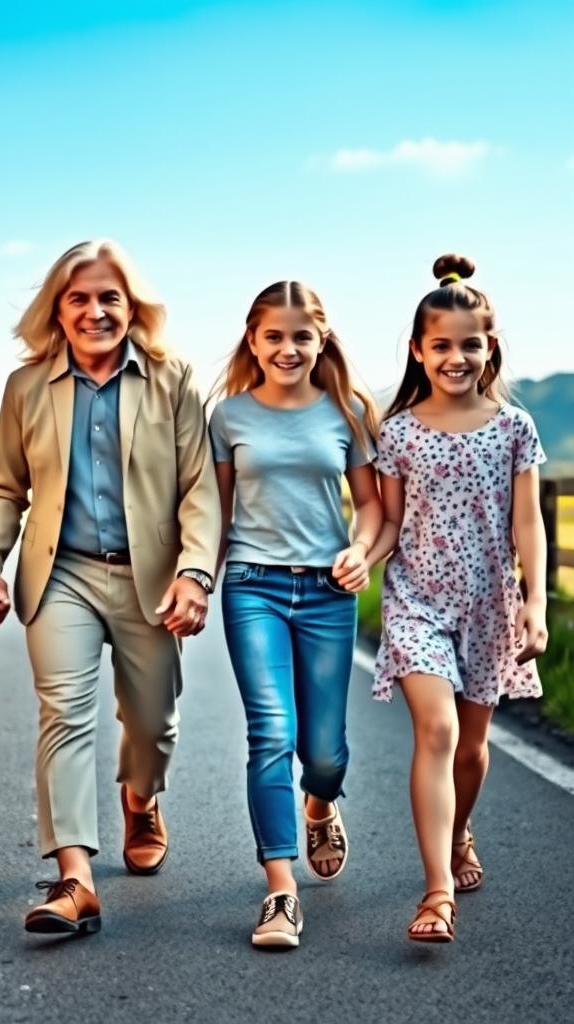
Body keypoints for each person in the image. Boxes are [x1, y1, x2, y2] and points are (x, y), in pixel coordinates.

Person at [0, 239, 220, 935]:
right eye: (78, 298)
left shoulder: (173, 379)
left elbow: (200, 487)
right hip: (63, 574)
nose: (94, 311)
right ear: (58, 307)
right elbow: (4, 487)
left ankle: (141, 797)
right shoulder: (26, 387)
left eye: (109, 297)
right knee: (64, 716)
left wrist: (196, 572)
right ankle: (73, 878)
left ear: (133, 306)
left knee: (151, 723)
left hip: (152, 577)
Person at [365, 254, 548, 943]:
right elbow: (386, 521)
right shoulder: (401, 431)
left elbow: (527, 522)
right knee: (437, 732)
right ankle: (437, 891)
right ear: (418, 350)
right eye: (440, 345)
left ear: (489, 347)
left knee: (472, 749)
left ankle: (460, 827)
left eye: (470, 344)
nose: (456, 357)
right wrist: (363, 556)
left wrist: (534, 605)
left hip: (489, 607)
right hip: (417, 602)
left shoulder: (513, 429)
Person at [209, 280, 382, 948]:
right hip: (252, 586)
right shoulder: (228, 418)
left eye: (300, 336)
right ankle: (280, 890)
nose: (287, 348)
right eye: (273, 336)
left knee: (326, 752)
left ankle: (321, 803)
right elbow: (215, 514)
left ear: (321, 340)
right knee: (271, 731)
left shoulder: (347, 414)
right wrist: (194, 577)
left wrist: (360, 549)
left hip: (328, 593)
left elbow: (368, 504)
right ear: (252, 340)